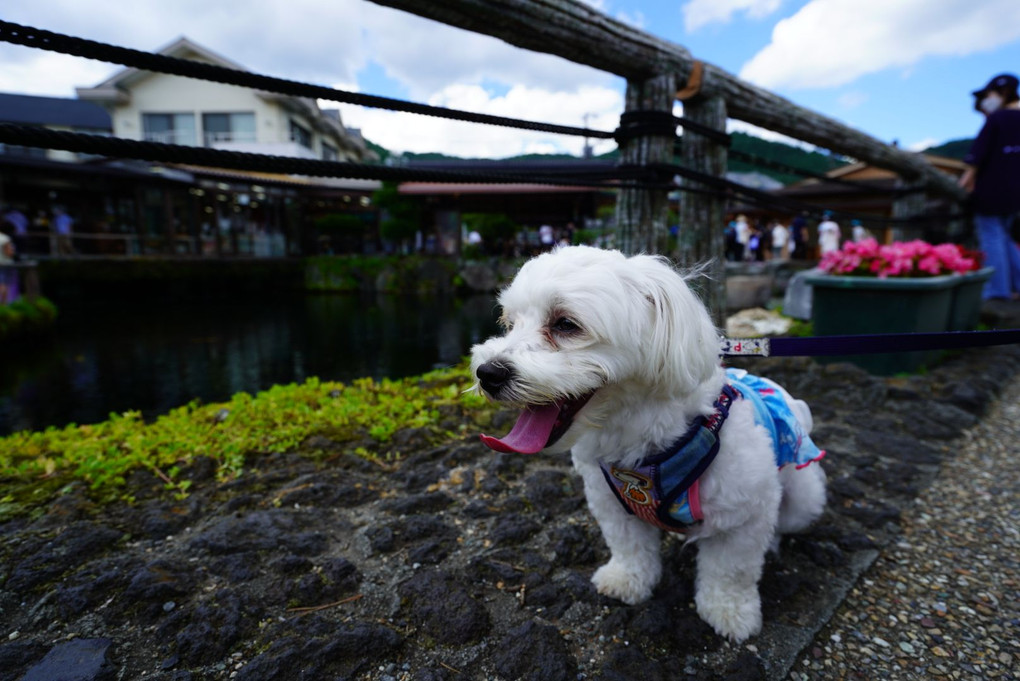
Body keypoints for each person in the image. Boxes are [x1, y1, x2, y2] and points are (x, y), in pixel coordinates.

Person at [959, 73, 1020, 301]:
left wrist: (965, 181)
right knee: (1004, 237)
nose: (987, 101)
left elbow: (977, 156)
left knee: (991, 237)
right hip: (1015, 192)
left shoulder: (997, 119)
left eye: (990, 94)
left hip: (992, 190)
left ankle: (997, 291)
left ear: (1003, 93)